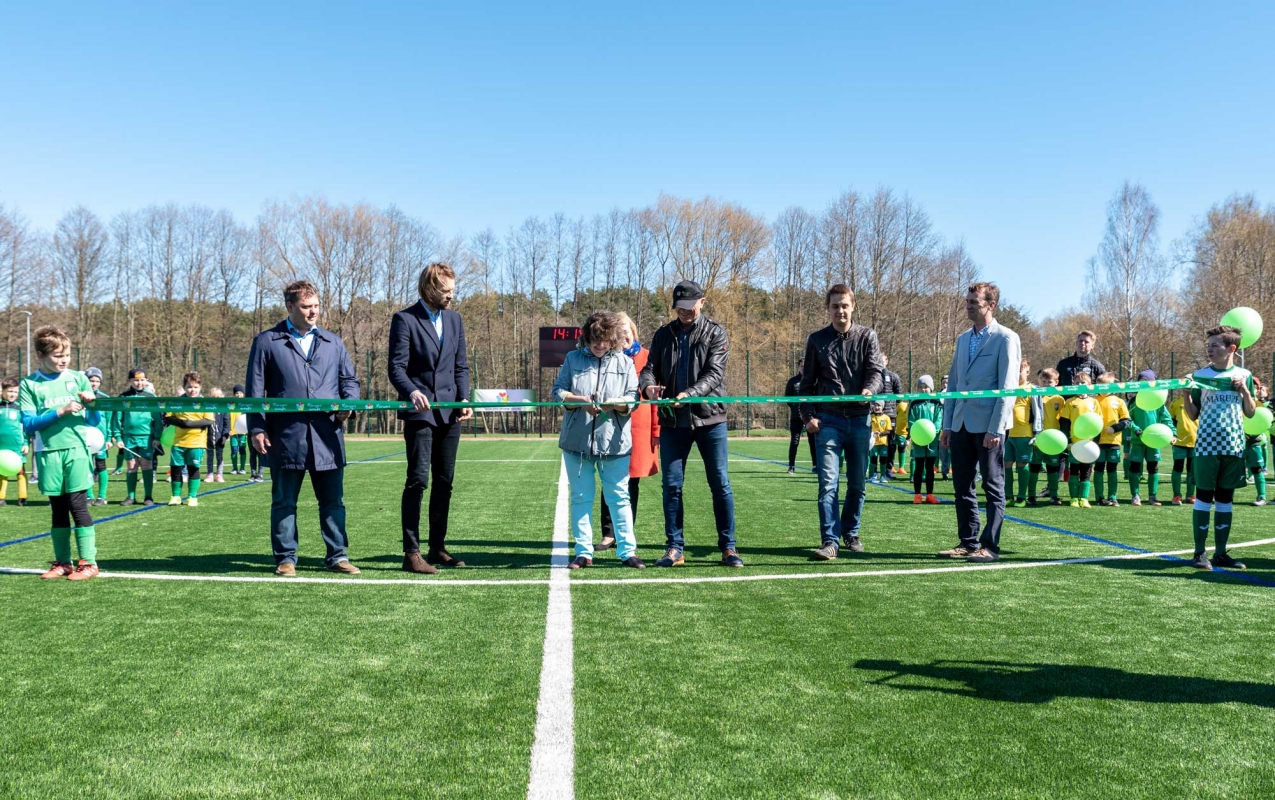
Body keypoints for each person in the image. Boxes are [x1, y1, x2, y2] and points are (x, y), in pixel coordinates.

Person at [246, 279, 361, 577]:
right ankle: (286, 558)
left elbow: (349, 381)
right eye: (306, 307)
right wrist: (257, 429)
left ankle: (338, 555)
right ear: (289, 307)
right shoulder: (266, 341)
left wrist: (349, 404)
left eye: (316, 306)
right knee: (284, 501)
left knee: (333, 501)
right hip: (286, 436)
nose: (313, 312)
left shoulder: (333, 342)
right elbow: (255, 392)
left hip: (327, 436)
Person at [639, 279, 742, 568]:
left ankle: (729, 547)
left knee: (720, 483)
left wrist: (688, 394)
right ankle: (674, 548)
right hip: (674, 421)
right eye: (679, 308)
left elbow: (714, 374)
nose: (684, 312)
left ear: (702, 302)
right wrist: (648, 387)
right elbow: (649, 369)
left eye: (689, 307)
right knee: (671, 485)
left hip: (711, 418)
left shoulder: (716, 332)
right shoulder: (663, 334)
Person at [389, 262, 473, 575]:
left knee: (444, 481)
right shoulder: (405, 319)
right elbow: (396, 368)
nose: (451, 296)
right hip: (420, 413)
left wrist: (464, 397)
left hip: (450, 413)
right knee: (418, 479)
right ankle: (411, 553)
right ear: (430, 288)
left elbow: (461, 366)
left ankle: (436, 547)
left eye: (453, 290)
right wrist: (411, 391)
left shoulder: (455, 320)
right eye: (446, 291)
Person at [552, 311, 645, 569]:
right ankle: (583, 552)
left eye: (605, 340)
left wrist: (618, 405)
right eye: (595, 339)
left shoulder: (625, 363)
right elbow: (557, 392)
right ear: (587, 336)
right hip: (576, 443)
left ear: (614, 338)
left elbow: (633, 399)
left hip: (614, 443)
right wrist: (578, 401)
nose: (600, 345)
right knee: (581, 497)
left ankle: (627, 551)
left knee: (619, 497)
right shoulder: (572, 359)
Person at [799, 284, 884, 561]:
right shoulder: (816, 340)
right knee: (828, 483)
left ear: (853, 306)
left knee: (858, 482)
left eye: (845, 305)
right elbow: (806, 384)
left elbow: (876, 372)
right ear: (828, 308)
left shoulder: (867, 336)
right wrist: (808, 416)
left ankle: (851, 531)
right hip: (828, 421)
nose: (840, 311)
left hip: (860, 420)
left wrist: (870, 390)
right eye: (835, 306)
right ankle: (830, 541)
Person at [938, 282, 1021, 562]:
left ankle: (991, 545)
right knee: (962, 486)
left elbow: (1008, 388)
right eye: (968, 300)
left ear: (991, 305)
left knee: (993, 486)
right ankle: (968, 541)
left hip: (989, 428)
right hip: (960, 425)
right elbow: (954, 386)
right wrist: (947, 424)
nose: (969, 305)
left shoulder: (1006, 338)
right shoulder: (963, 339)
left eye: (975, 301)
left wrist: (996, 428)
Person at [19, 326, 102, 580]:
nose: (63, 360)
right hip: (48, 453)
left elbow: (94, 421)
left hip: (77, 449)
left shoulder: (78, 378)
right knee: (57, 507)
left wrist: (92, 403)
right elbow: (29, 423)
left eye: (65, 354)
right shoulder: (29, 384)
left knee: (78, 505)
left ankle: (88, 563)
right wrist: (60, 411)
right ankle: (63, 563)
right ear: (41, 355)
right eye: (57, 355)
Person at [1184, 325, 1255, 570]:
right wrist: (1185, 394)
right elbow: (1193, 414)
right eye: (1209, 345)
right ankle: (1199, 554)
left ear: (1231, 349)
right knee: (1203, 496)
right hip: (1206, 446)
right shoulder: (1199, 375)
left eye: (1215, 345)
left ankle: (1221, 554)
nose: (1210, 349)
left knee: (1225, 499)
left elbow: (1250, 411)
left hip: (1234, 445)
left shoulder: (1244, 374)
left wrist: (1244, 391)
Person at [598, 312, 659, 550]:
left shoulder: (648, 358)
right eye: (618, 331)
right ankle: (608, 533)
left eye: (627, 330)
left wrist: (656, 431)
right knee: (609, 479)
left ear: (633, 332)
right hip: (610, 426)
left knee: (631, 483)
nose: (623, 335)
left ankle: (625, 532)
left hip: (639, 431)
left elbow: (655, 398)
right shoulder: (607, 357)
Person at [112, 368, 162, 506]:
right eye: (136, 380)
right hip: (129, 437)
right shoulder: (123, 397)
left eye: (142, 380)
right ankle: (131, 496)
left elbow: (157, 419)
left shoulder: (151, 397)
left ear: (146, 380)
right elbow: (117, 418)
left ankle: (148, 497)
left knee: (146, 465)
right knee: (131, 466)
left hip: (147, 437)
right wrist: (118, 437)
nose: (139, 383)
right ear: (130, 381)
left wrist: (157, 436)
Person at [1126, 369, 1175, 507]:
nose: (1144, 385)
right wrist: (1136, 430)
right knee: (1134, 468)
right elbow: (1127, 419)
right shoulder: (1133, 402)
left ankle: (1152, 496)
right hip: (1137, 441)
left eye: (1146, 382)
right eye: (1141, 382)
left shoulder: (1158, 402)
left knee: (1153, 468)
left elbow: (1167, 420)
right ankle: (1135, 495)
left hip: (1154, 441)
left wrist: (1173, 434)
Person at [164, 372, 213, 507]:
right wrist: (181, 423)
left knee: (193, 469)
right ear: (184, 387)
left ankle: (192, 497)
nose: (193, 390)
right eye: (190, 387)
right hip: (179, 442)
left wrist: (189, 424)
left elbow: (208, 420)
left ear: (200, 387)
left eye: (196, 387)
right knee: (176, 469)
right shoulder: (177, 401)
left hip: (197, 443)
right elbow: (168, 417)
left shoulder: (204, 402)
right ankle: (175, 496)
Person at [1060, 372, 1101, 507]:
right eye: (1077, 383)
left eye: (1083, 382)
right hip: (1074, 444)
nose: (1080, 385)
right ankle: (1073, 498)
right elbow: (1065, 423)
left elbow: (1098, 423)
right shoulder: (1070, 402)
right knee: (1074, 470)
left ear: (1089, 385)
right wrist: (1068, 441)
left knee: (1087, 470)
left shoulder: (1094, 402)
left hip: (1089, 444)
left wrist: (1095, 442)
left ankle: (1084, 498)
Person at [1005, 359, 1042, 508]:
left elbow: (1039, 412)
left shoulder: (1033, 389)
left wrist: (1037, 433)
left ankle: (1021, 496)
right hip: (1007, 434)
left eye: (1020, 370)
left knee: (1022, 464)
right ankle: (1008, 495)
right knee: (1006, 463)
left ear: (1027, 372)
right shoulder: (1006, 387)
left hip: (1025, 434)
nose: (1017, 374)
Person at [1030, 368, 1066, 506]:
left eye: (1049, 382)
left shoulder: (1060, 399)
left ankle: (1054, 495)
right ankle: (1031, 495)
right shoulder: (1035, 396)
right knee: (1035, 467)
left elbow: (1063, 419)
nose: (1046, 384)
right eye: (1043, 381)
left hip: (1054, 440)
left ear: (1056, 382)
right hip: (1038, 438)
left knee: (1052, 468)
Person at [1094, 373, 1131, 506]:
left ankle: (1112, 497)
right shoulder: (1093, 400)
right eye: (1100, 385)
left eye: (1105, 385)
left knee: (1112, 469)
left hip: (1114, 442)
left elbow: (1126, 421)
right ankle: (1099, 497)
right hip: (1097, 442)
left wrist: (1115, 428)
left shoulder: (1119, 401)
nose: (1102, 388)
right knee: (1098, 469)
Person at [907, 375, 942, 504]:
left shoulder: (936, 402)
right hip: (918, 440)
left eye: (926, 387)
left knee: (930, 467)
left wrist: (934, 432)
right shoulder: (914, 402)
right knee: (919, 466)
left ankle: (929, 494)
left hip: (932, 440)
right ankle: (917, 494)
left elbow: (939, 419)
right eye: (920, 387)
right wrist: (915, 433)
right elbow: (911, 420)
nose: (923, 390)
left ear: (931, 388)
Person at [84, 367, 113, 506]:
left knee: (101, 465)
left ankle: (102, 497)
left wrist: (108, 438)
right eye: (91, 380)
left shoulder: (105, 399)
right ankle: (88, 496)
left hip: (100, 439)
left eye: (97, 381)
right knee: (86, 466)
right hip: (84, 438)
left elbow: (109, 420)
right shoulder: (80, 398)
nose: (94, 384)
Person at [0, 377, 29, 506]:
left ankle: (22, 497)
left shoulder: (20, 408)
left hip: (17, 446)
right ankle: (1, 498)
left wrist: (26, 443)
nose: (13, 394)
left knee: (20, 472)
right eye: (10, 391)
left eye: (16, 392)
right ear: (3, 391)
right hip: (2, 447)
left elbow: (25, 428)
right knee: (2, 472)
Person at [784, 358, 816, 474]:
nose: (803, 368)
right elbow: (788, 399)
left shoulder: (813, 381)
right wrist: (795, 408)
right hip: (796, 417)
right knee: (794, 442)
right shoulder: (792, 381)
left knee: (812, 442)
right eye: (801, 366)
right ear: (798, 367)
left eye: (805, 365)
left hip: (810, 416)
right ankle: (791, 466)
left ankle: (815, 465)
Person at [1168, 388, 1197, 506]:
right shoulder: (1175, 403)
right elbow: (1170, 422)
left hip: (1196, 442)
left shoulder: (1200, 402)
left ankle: (1190, 495)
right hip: (1179, 442)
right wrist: (1172, 435)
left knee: (1192, 470)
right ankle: (1176, 495)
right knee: (1178, 468)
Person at [1244, 376, 1268, 506]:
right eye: (1248, 384)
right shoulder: (1235, 400)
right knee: (1229, 468)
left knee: (1257, 469)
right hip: (1235, 440)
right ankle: (1224, 497)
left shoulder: (1261, 404)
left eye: (1253, 385)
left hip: (1254, 440)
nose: (1250, 387)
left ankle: (1261, 497)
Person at [880, 355, 904, 476]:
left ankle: (889, 468)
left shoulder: (893, 376)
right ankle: (871, 469)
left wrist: (892, 407)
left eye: (882, 360)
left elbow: (899, 396)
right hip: (875, 415)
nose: (879, 362)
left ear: (886, 361)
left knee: (890, 442)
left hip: (890, 415)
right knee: (873, 441)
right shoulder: (871, 377)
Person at [208, 386, 229, 483]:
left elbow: (226, 424)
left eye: (217, 397)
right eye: (213, 397)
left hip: (219, 438)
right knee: (209, 456)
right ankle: (210, 474)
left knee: (219, 457)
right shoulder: (207, 409)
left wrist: (225, 436)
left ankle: (219, 475)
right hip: (209, 438)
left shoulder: (223, 410)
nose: (215, 400)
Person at [868, 403, 892, 483]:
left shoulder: (886, 417)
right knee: (873, 459)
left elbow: (888, 430)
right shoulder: (870, 417)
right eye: (875, 405)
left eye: (879, 406)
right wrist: (872, 434)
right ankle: (871, 476)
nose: (877, 407)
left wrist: (880, 433)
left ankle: (882, 476)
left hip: (883, 443)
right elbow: (867, 428)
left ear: (882, 407)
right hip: (873, 443)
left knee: (883, 460)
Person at [228, 384, 248, 475]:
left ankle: (242, 468)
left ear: (243, 394)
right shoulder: (231, 405)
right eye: (236, 393)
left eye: (240, 393)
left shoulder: (245, 406)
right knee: (234, 450)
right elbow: (227, 419)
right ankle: (235, 468)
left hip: (243, 433)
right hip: (233, 433)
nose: (238, 395)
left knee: (242, 450)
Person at [937, 374, 951, 480]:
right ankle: (944, 472)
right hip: (942, 429)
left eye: (947, 382)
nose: (945, 385)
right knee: (943, 452)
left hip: (954, 428)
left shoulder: (956, 394)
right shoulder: (938, 397)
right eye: (944, 383)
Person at [894, 399, 910, 478]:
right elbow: (894, 414)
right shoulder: (902, 405)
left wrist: (908, 438)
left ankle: (901, 468)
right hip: (895, 431)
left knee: (902, 449)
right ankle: (891, 467)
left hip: (904, 433)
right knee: (892, 449)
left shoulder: (914, 408)